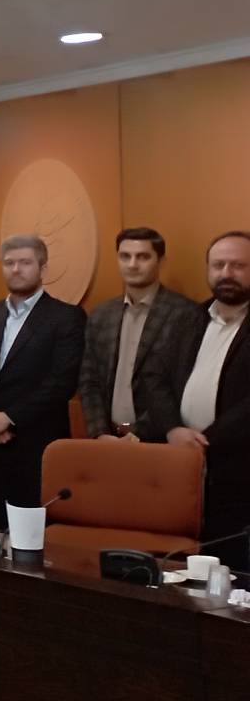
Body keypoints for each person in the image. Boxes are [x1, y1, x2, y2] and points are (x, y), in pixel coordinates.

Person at [0, 235, 85, 528]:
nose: (16, 269)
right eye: (9, 263)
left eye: (25, 262)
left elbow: (62, 382)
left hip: (36, 444)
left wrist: (9, 418)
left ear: (43, 268)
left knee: (31, 537)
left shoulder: (66, 317)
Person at [139, 231, 250, 568]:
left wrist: (205, 441)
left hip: (237, 471)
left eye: (238, 265)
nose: (226, 273)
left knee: (231, 568)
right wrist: (173, 429)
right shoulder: (189, 318)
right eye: (218, 265)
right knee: (181, 569)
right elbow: (154, 376)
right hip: (179, 462)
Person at [78, 227, 201, 439]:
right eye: (125, 256)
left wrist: (136, 434)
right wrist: (100, 433)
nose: (132, 264)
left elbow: (181, 386)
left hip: (159, 438)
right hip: (107, 438)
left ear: (160, 261)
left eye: (143, 257)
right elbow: (89, 379)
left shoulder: (186, 314)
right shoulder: (101, 314)